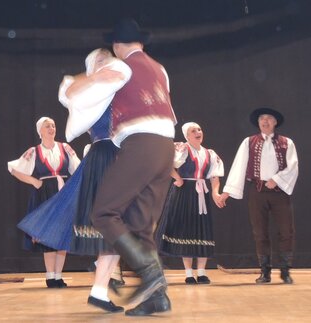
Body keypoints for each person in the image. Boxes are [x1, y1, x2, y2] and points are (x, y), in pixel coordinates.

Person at [17, 48, 129, 312]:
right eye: (99, 61)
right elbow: (67, 90)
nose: (107, 64)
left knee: (122, 227)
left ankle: (101, 287)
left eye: (108, 60)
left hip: (120, 157)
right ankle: (101, 282)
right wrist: (93, 77)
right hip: (105, 155)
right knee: (116, 225)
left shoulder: (116, 89)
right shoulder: (88, 93)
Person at [85, 18, 177, 316]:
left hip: (141, 141)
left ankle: (151, 274)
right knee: (140, 225)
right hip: (166, 146)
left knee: (103, 211)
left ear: (116, 45)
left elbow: (91, 94)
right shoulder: (160, 68)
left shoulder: (120, 67)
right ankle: (157, 298)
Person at [219, 108, 298, 284]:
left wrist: (276, 179)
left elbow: (293, 166)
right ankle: (265, 271)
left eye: (269, 118)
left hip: (280, 192)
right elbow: (239, 166)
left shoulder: (287, 142)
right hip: (257, 192)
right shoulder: (249, 142)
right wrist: (227, 192)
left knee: (286, 231)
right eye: (262, 118)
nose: (265, 121)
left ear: (275, 122)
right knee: (260, 232)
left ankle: (285, 271)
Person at [8, 117, 80, 288]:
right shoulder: (34, 151)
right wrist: (35, 182)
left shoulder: (65, 148)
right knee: (48, 236)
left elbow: (77, 168)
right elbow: (14, 169)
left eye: (53, 125)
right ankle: (50, 276)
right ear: (40, 130)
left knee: (62, 236)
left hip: (63, 194)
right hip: (45, 194)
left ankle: (58, 275)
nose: (51, 128)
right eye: (47, 126)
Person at [155, 122, 225, 285]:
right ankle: (188, 273)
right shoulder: (182, 148)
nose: (198, 132)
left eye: (199, 129)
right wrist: (178, 178)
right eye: (193, 130)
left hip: (201, 193)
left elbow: (215, 176)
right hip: (184, 192)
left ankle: (201, 272)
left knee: (201, 231)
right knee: (185, 230)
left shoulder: (209, 153)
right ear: (187, 135)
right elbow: (166, 163)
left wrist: (215, 192)